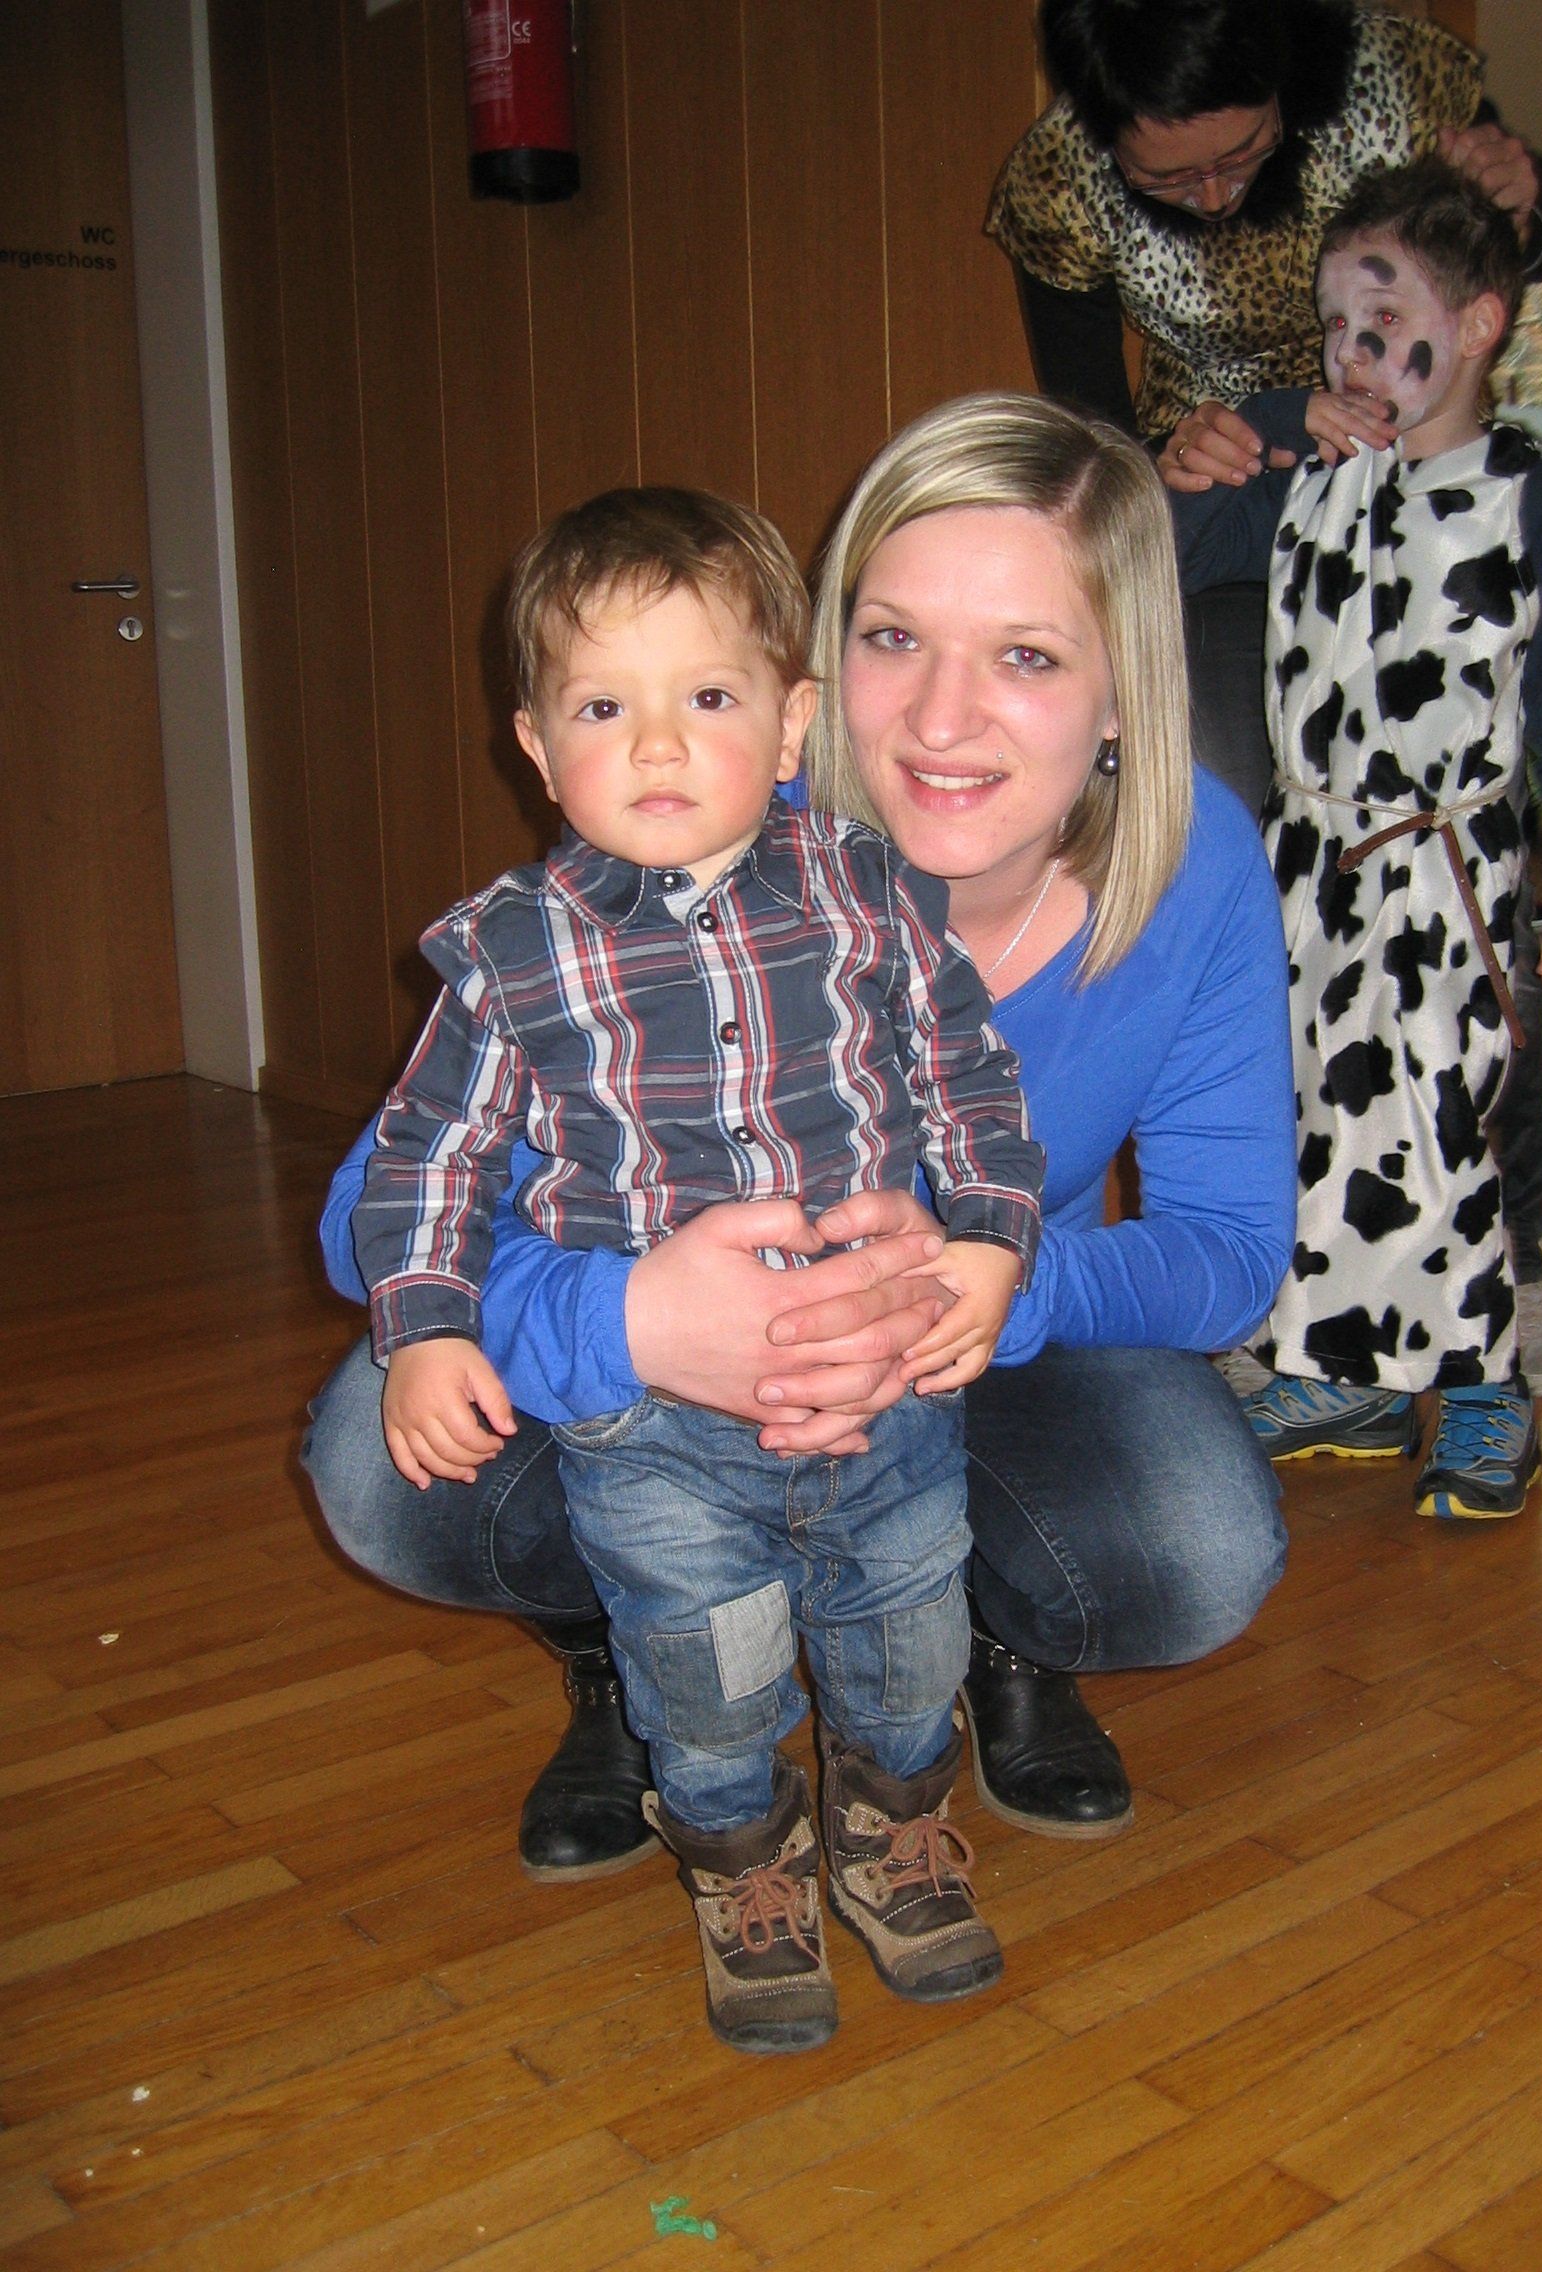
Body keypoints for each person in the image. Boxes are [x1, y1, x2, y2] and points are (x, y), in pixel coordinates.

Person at [303, 393, 1293, 1963]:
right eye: (897, 640)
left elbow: (1230, 1250)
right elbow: (372, 1213)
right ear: (820, 675)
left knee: (1192, 1543)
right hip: (671, 1385)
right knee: (382, 1448)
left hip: (975, 1336)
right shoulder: (690, 819)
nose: (942, 721)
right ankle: (641, 1664)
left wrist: (978, 1284)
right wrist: (638, 1320)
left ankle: (983, 1650)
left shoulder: (1198, 862)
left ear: (1124, 693)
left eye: (1027, 657)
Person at [353, 486, 1048, 2053]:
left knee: (909, 1634)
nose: (658, 746)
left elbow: (970, 1080)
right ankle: (744, 1865)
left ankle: (894, 1830)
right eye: (605, 707)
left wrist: (993, 1239)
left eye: (709, 699)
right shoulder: (511, 955)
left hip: (885, 1389)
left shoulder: (872, 891)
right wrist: (425, 1331)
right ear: (538, 747)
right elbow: (427, 1160)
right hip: (655, 1431)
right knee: (706, 1663)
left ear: (794, 725)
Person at [988, 0, 1542, 1383]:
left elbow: (1522, 240)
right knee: (1221, 847)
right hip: (1235, 500)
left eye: (1240, 156)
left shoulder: (1395, 77)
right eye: (1170, 178)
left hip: (1412, 492)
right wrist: (1178, 452)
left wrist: (1539, 196)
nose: (1212, 198)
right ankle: (1279, 1254)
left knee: (1453, 880)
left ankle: (1508, 1251)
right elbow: (1090, 436)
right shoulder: (1058, 185)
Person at [1169, 158, 1542, 1518]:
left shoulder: (1528, 499)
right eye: (1332, 328)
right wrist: (1252, 431)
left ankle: (1488, 1383)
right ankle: (1346, 1372)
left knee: (1439, 1125)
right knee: (1319, 1120)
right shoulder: (1310, 477)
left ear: (1478, 325)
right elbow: (1169, 552)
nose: (1350, 355)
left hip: (1444, 873)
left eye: (1383, 322)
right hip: (1310, 867)